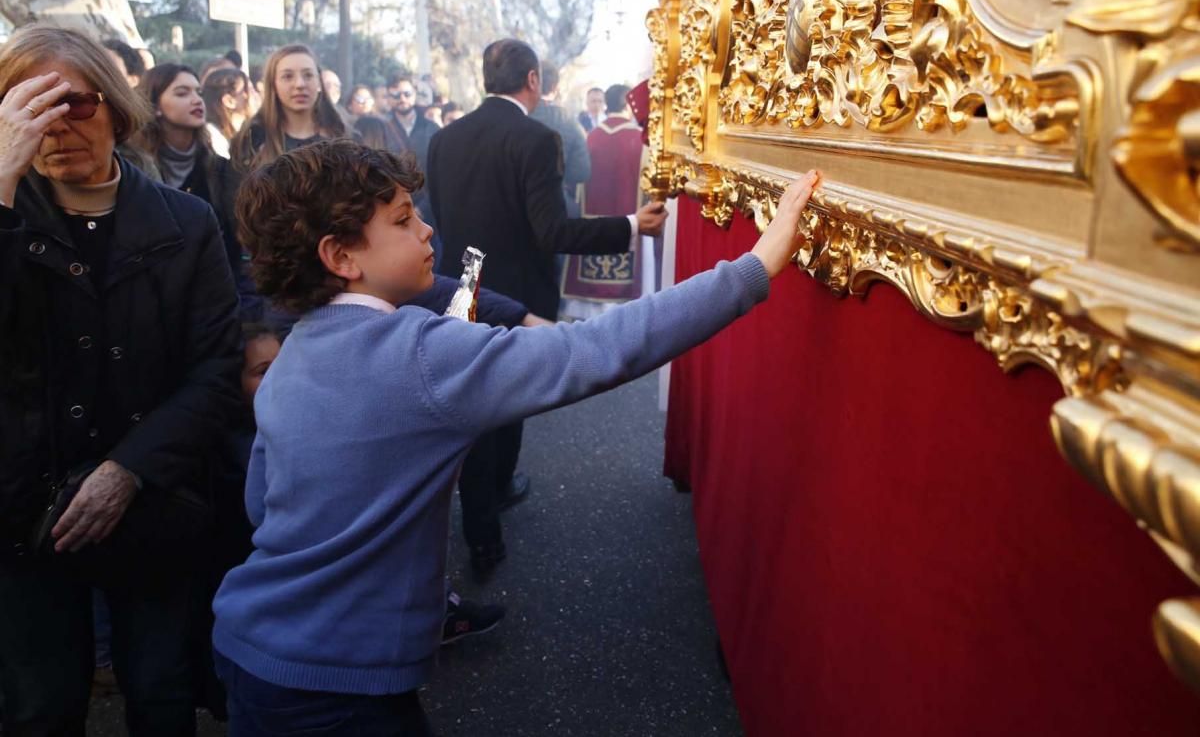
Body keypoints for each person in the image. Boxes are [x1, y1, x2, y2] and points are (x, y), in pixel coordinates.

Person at [211, 137, 820, 735]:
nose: (426, 230)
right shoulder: (421, 353)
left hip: (252, 646)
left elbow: (263, 504)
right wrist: (754, 267)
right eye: (402, 220)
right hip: (336, 684)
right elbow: (596, 349)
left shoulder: (289, 360)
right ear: (342, 257)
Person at [0, 25, 242, 736]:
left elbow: (216, 367)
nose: (53, 125)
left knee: (161, 693)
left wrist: (128, 470)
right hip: (21, 508)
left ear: (113, 106)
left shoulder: (186, 221)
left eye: (71, 103)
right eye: (25, 105)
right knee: (39, 706)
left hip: (153, 502)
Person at [426, 40, 669, 576]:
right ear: (532, 80)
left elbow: (444, 223)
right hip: (516, 292)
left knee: (477, 398)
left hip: (464, 284)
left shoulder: (444, 139)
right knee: (504, 400)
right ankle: (485, 525)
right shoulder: (537, 138)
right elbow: (551, 230)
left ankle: (493, 496)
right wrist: (632, 225)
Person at [128, 64, 248, 307]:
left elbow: (239, 243)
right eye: (182, 93)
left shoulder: (222, 170)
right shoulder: (133, 169)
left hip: (215, 297)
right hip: (153, 300)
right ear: (155, 105)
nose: (196, 100)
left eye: (199, 93)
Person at [561, 83, 647, 318]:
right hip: (628, 223)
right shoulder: (640, 139)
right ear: (628, 105)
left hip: (594, 226)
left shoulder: (592, 137)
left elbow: (578, 183)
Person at [229, 44, 347, 177]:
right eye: (288, 76)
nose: (299, 84)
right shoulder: (252, 139)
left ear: (319, 82)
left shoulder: (343, 135)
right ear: (273, 84)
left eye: (308, 75)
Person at [531, 62, 590, 217]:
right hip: (558, 202)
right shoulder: (569, 121)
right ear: (555, 87)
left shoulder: (517, 115)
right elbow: (581, 171)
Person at [381, 73, 437, 171]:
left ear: (415, 94)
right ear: (389, 98)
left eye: (407, 94)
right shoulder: (381, 127)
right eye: (396, 95)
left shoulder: (431, 127)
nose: (402, 99)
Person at [202, 67, 253, 159]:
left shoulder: (249, 133)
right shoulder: (213, 137)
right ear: (229, 101)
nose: (256, 95)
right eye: (250, 90)